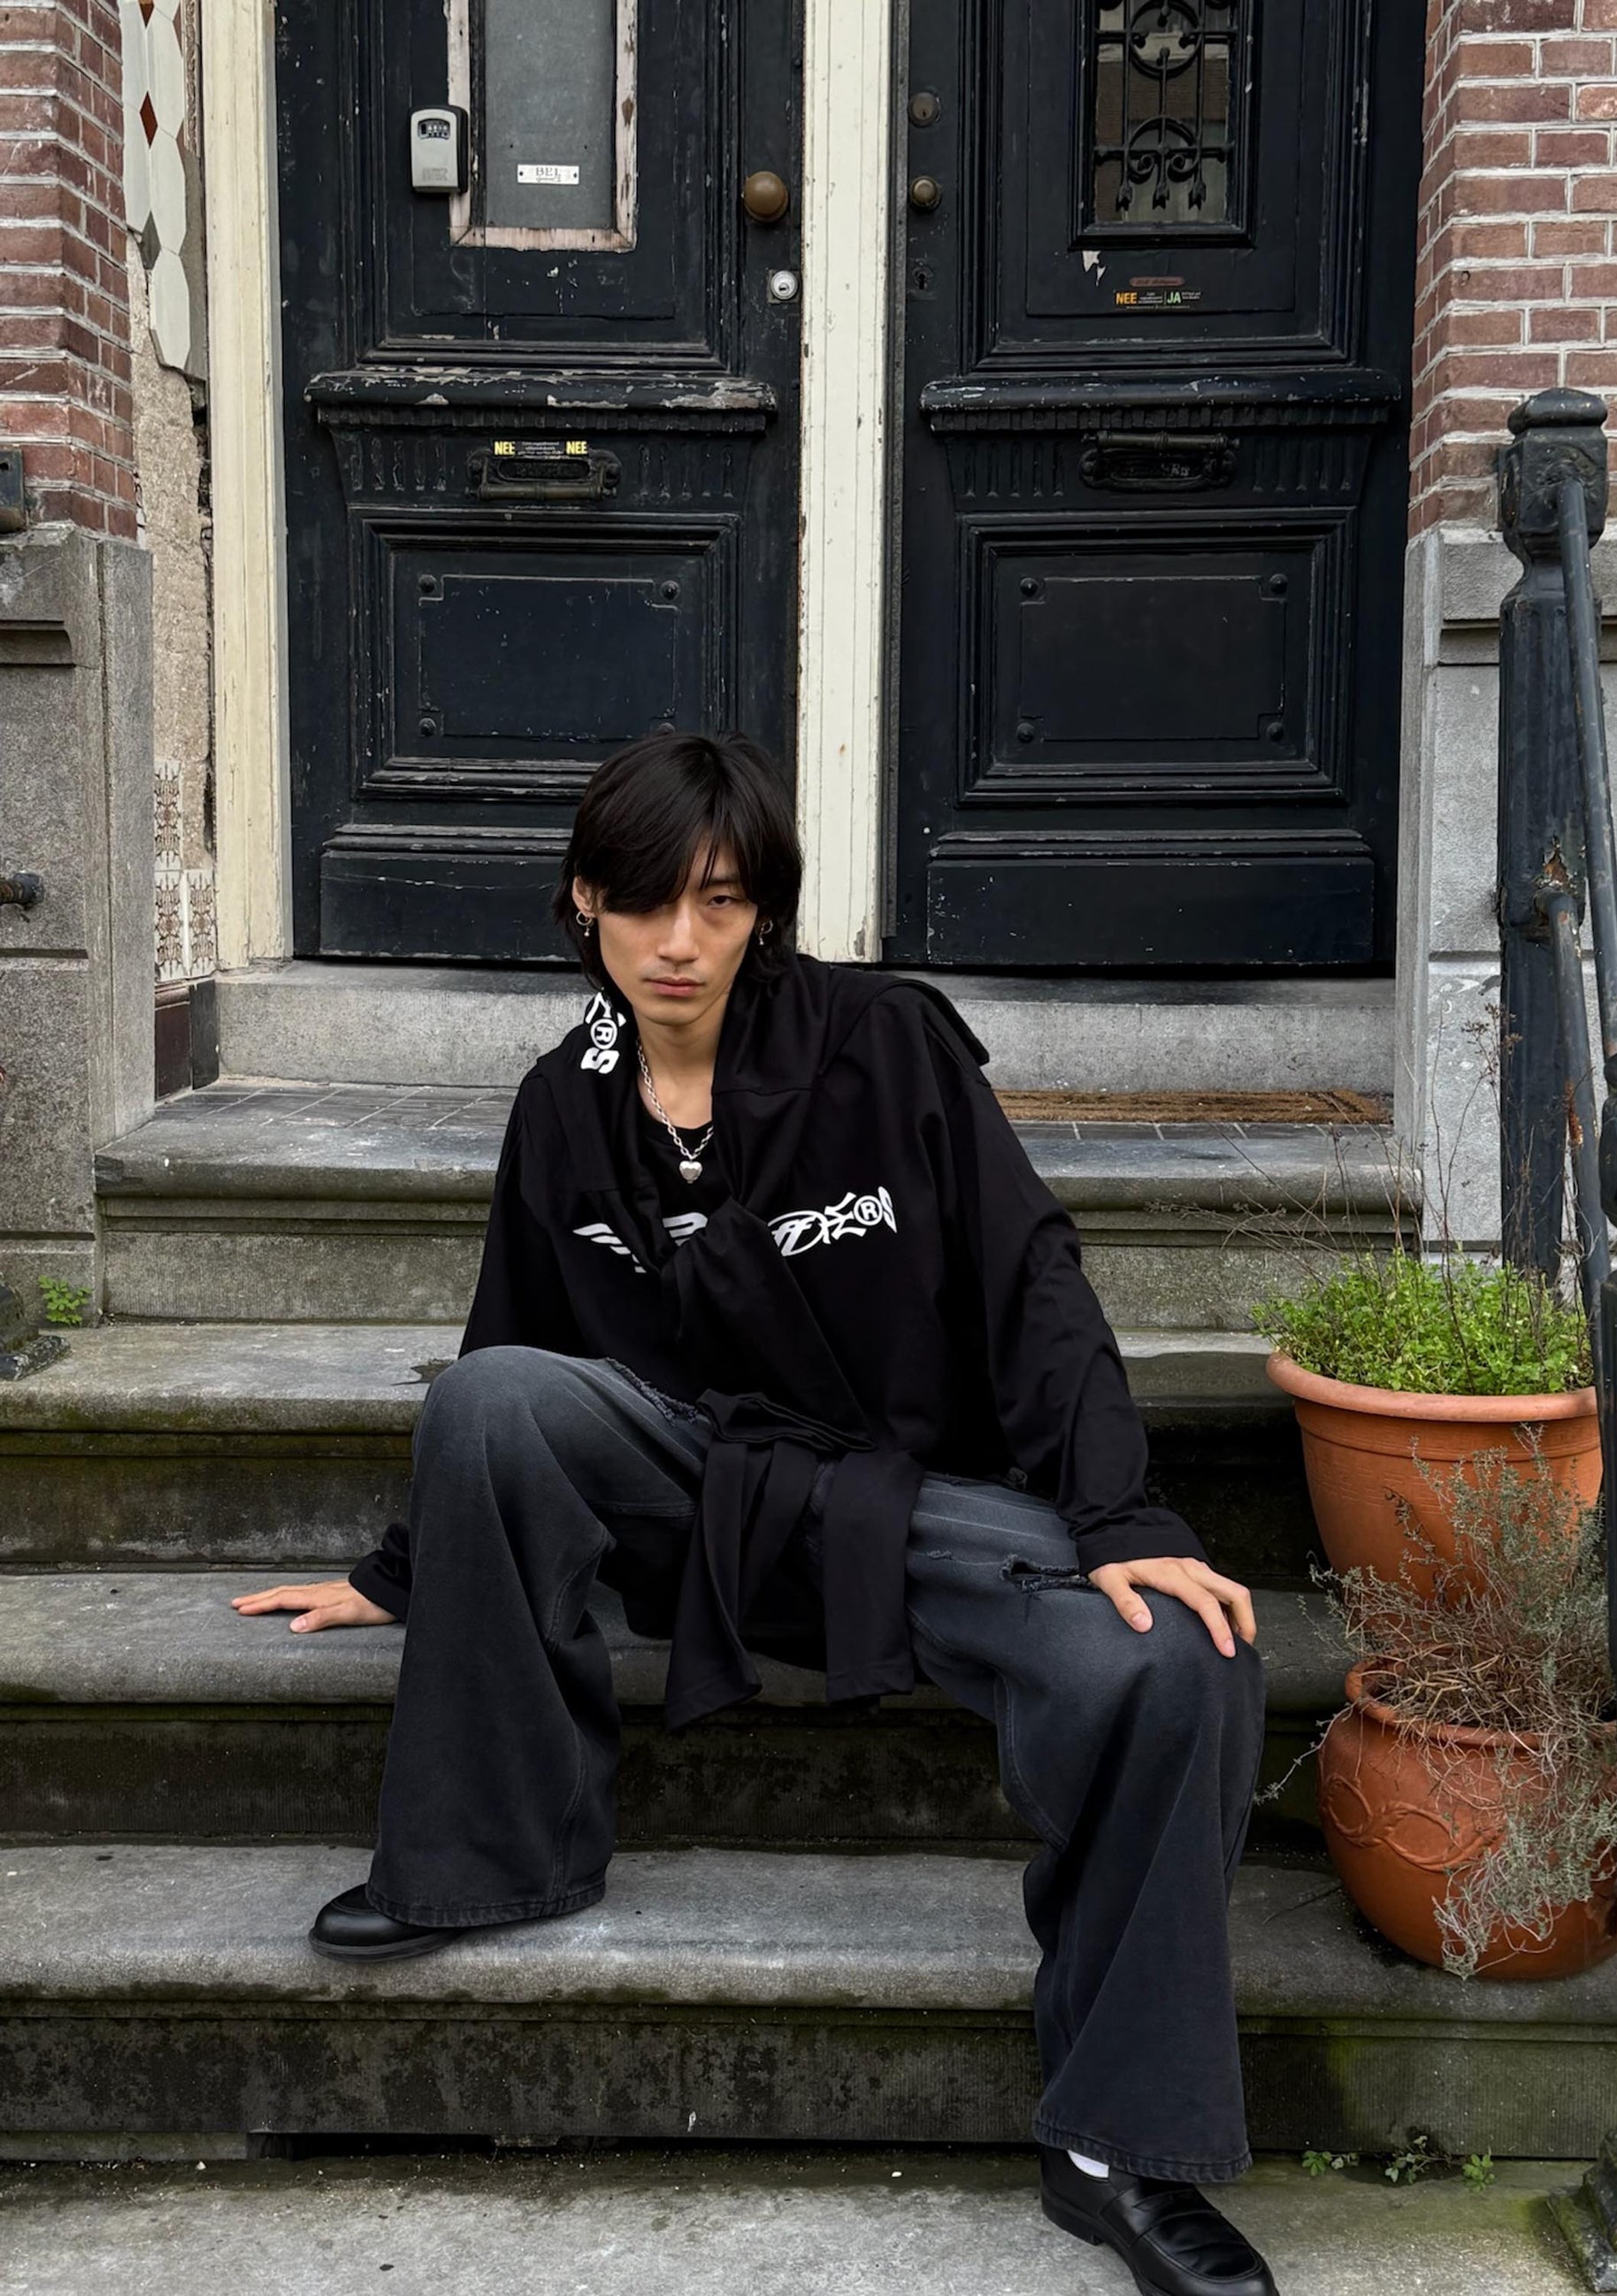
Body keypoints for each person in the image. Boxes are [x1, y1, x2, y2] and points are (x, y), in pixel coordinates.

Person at [235, 731, 1276, 2296]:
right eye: (646, 901)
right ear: (584, 900)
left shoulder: (883, 1044)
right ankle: (492, 1858)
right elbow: (511, 1335)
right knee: (490, 1397)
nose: (679, 940)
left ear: (761, 912)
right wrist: (401, 1571)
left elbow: (1031, 1284)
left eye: (718, 903)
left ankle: (1117, 2150)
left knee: (1179, 1663)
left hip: (913, 1512)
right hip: (695, 1506)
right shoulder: (563, 1104)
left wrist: (1122, 1517)